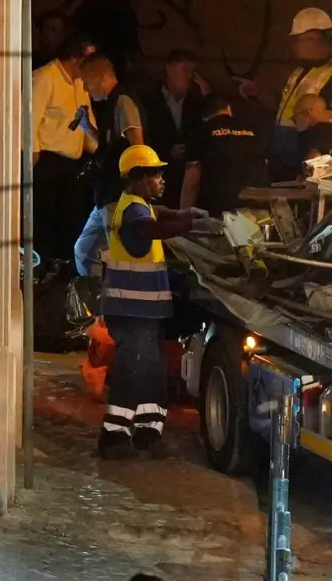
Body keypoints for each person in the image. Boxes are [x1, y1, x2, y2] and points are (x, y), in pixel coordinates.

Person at [97, 144, 219, 459]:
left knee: (151, 366)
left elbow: (162, 214)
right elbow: (152, 227)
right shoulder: (134, 211)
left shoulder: (138, 203)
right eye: (155, 174)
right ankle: (115, 434)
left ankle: (149, 427)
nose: (162, 179)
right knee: (134, 367)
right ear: (137, 178)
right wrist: (192, 225)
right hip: (130, 308)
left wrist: (186, 214)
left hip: (142, 310)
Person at [242, 7, 332, 181]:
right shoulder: (299, 73)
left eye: (297, 41)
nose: (293, 47)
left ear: (313, 38)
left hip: (303, 166)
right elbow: (284, 108)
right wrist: (257, 93)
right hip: (282, 161)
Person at [75, 54, 149, 276]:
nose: (87, 91)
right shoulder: (113, 103)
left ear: (99, 78)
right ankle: (97, 301)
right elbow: (112, 146)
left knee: (121, 253)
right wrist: (87, 127)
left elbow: (137, 144)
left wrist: (133, 191)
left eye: (87, 84)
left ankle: (122, 303)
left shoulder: (123, 100)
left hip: (118, 194)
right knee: (85, 249)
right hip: (106, 194)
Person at [31, 36, 98, 263]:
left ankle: (65, 268)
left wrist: (99, 148)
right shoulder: (45, 77)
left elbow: (85, 118)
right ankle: (42, 268)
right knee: (45, 219)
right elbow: (30, 118)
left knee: (71, 219)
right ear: (75, 57)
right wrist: (31, 154)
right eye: (89, 58)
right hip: (47, 159)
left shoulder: (80, 83)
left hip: (72, 162)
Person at [141, 49, 208, 208]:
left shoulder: (196, 103)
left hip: (187, 185)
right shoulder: (149, 101)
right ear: (169, 69)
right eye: (185, 70)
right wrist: (167, 151)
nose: (189, 76)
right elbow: (143, 138)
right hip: (158, 181)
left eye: (192, 72)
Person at [182, 96, 268, 215]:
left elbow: (192, 179)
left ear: (204, 116)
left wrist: (184, 215)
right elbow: (265, 163)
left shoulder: (200, 132)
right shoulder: (253, 129)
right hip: (257, 206)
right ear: (228, 109)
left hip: (220, 209)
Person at [71, 0, 141, 83]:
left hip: (117, 71)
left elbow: (132, 42)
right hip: (91, 70)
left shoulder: (124, 9)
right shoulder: (87, 7)